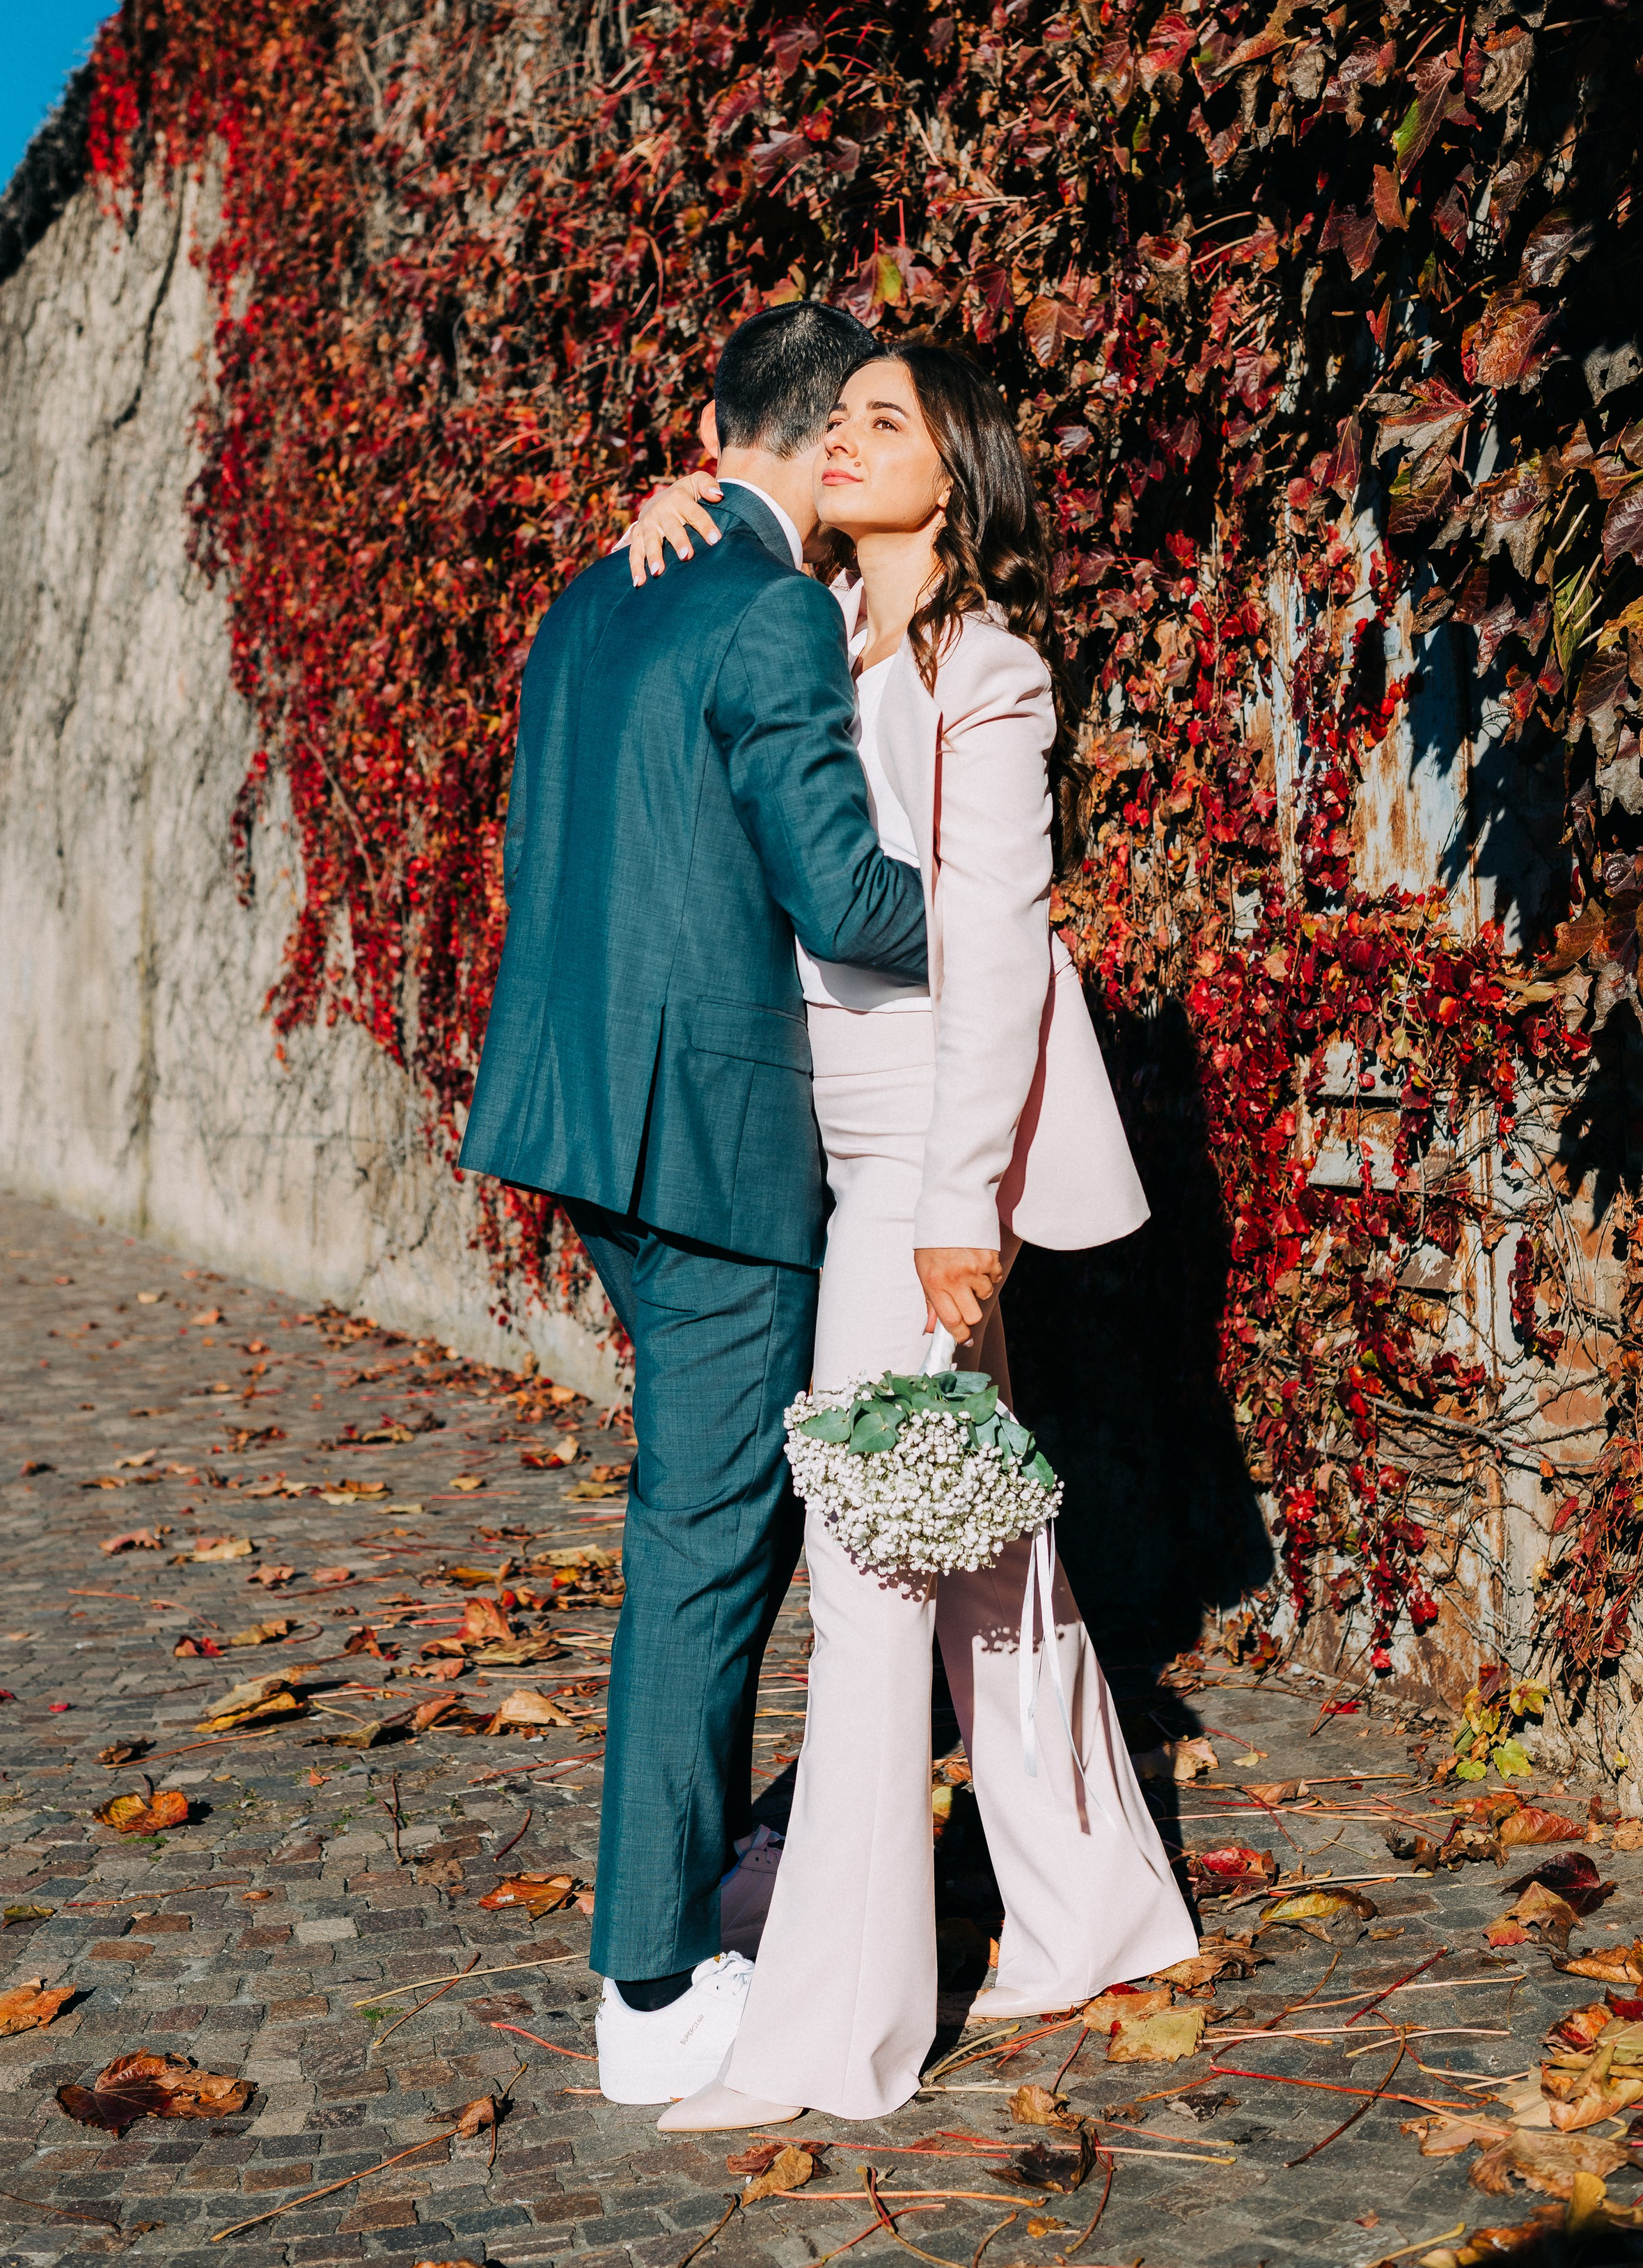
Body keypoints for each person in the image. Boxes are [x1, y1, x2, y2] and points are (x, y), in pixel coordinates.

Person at [622, 343, 1195, 2128]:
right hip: (827, 1155)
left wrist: (960, 1209)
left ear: (956, 476)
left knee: (869, 1574)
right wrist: (681, 510)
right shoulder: (810, 630)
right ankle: (1095, 1907)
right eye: (834, 420)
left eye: (883, 421)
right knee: (972, 1548)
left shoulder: (986, 671)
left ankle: (837, 2023)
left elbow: (999, 950)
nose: (843, 442)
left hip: (911, 1180)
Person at [460, 301, 930, 2107]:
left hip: (578, 1111)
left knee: (707, 1512)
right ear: (825, 452)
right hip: (710, 1141)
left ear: (709, 423)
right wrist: (978, 909)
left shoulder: (596, 595)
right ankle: (652, 1986)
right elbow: (839, 895)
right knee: (711, 1531)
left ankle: (702, 1866)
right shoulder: (770, 607)